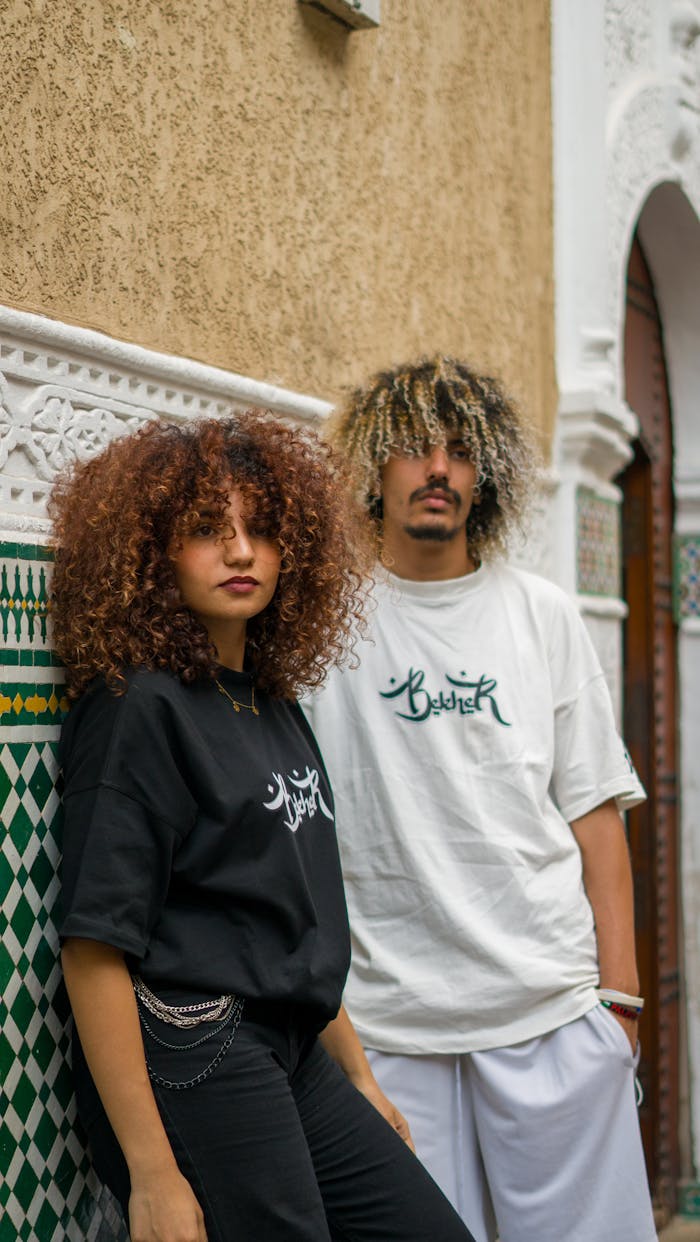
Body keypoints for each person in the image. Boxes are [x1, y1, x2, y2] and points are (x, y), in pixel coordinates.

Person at [50, 412, 476, 1242]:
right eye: (208, 531)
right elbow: (92, 945)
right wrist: (151, 1172)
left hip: (293, 1044)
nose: (241, 552)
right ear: (153, 550)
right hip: (195, 1049)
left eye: (261, 530)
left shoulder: (271, 701)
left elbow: (292, 914)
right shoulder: (139, 706)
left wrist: (358, 1075)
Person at [303, 357, 657, 1242]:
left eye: (462, 452)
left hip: (551, 1015)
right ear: (375, 468)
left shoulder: (542, 614)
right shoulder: (324, 622)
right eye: (415, 449)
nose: (438, 469)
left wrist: (621, 1002)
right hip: (388, 1032)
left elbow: (595, 814)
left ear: (484, 475)